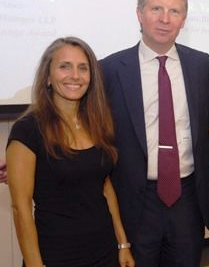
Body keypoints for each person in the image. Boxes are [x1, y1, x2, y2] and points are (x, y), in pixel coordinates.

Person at [100, 0, 209, 267]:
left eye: (175, 11)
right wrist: (31, 156)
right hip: (135, 202)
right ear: (140, 13)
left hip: (188, 200)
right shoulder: (109, 70)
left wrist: (204, 153)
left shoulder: (199, 64)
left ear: (184, 19)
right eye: (156, 9)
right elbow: (86, 130)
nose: (165, 19)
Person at [6, 37, 134, 267]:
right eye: (64, 66)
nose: (75, 75)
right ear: (47, 76)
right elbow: (21, 209)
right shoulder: (28, 129)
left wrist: (122, 244)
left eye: (82, 68)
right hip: (56, 255)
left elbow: (105, 186)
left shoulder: (98, 123)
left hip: (104, 251)